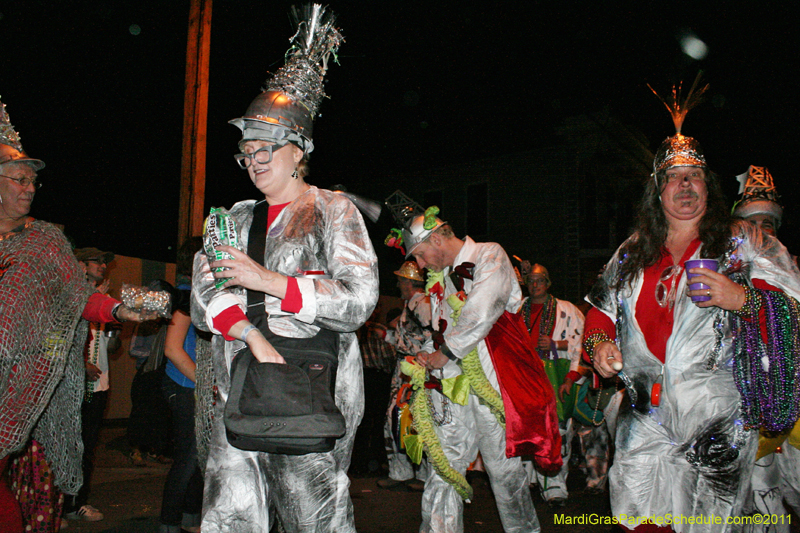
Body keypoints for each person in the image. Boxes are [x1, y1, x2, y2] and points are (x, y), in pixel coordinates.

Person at [190, 7, 378, 532]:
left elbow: (358, 301)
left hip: (312, 395)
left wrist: (264, 280)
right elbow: (205, 299)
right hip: (239, 395)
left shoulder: (333, 209)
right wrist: (250, 333)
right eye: (245, 152)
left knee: (314, 521)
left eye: (265, 148)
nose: (253, 160)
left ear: (300, 151)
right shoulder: (233, 217)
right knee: (227, 520)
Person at [585, 111, 800, 531]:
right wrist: (598, 346)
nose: (684, 185)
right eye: (674, 177)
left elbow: (793, 305)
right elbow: (600, 311)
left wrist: (742, 298)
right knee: (637, 518)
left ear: (708, 186)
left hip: (717, 414)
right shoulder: (632, 251)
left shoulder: (745, 240)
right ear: (658, 191)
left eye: (694, 176)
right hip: (644, 411)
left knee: (706, 524)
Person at [0, 97, 150, 532]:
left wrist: (120, 309)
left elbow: (75, 296)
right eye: (19, 179)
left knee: (30, 486)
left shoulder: (45, 243)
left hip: (24, 391)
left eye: (33, 182)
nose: (29, 188)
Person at [408, 208, 551, 533]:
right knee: (444, 468)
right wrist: (427, 357)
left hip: (494, 385)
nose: (418, 264)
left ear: (436, 238)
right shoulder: (440, 278)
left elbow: (482, 308)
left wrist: (444, 353)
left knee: (504, 473)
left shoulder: (490, 254)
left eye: (419, 253)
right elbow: (441, 328)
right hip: (451, 387)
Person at [733, 165, 800, 532]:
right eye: (752, 223)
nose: (761, 230)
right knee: (757, 490)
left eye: (768, 223)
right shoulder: (724, 273)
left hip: (791, 398)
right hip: (743, 400)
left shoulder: (791, 271)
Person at [516, 262, 588, 505]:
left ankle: (555, 487)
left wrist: (557, 351)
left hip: (554, 377)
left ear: (548, 283)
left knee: (557, 430)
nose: (535, 285)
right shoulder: (518, 308)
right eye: (531, 281)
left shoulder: (566, 310)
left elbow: (581, 347)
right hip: (524, 377)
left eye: (540, 281)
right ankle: (526, 482)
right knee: (523, 429)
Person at [62, 247, 120, 523]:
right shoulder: (71, 297)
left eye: (104, 261)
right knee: (69, 445)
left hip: (100, 383)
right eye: (97, 261)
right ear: (81, 265)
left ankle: (77, 502)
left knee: (88, 444)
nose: (103, 266)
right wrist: (82, 365)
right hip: (73, 384)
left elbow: (114, 346)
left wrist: (115, 323)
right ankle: (65, 504)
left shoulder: (106, 301)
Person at [160, 238, 204, 533]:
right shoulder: (186, 295)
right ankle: (169, 522)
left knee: (198, 457)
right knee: (188, 458)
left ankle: (189, 517)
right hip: (184, 385)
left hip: (192, 385)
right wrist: (203, 380)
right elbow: (172, 349)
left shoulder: (198, 294)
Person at [377, 260, 432, 491]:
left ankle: (423, 475)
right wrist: (386, 336)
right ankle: (401, 471)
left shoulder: (423, 305)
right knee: (397, 419)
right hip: (403, 370)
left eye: (401, 280)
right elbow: (406, 340)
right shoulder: (409, 304)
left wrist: (424, 359)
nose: (398, 284)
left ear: (409, 282)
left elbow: (432, 336)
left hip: (415, 370)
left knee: (416, 420)